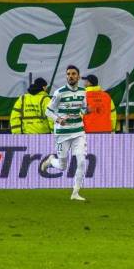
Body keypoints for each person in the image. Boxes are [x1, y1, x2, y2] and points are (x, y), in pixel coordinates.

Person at [40, 65, 89, 201]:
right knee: (62, 166)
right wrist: (59, 119)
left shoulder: (83, 92)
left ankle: (75, 193)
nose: (70, 76)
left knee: (81, 161)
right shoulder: (59, 92)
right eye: (68, 74)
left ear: (78, 77)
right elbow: (48, 111)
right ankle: (51, 160)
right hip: (62, 133)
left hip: (78, 131)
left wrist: (85, 110)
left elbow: (83, 108)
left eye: (73, 74)